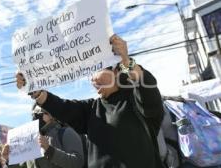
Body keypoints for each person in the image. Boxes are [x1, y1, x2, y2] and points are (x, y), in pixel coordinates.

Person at [16, 35, 165, 168]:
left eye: (97, 70)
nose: (93, 79)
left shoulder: (137, 100)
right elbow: (62, 107)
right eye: (90, 75)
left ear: (116, 71)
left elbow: (146, 85)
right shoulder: (92, 109)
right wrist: (33, 89)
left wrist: (127, 61)